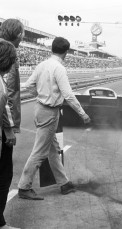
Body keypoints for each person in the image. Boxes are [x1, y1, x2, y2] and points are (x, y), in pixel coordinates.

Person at [18, 37, 91, 200]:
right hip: (50, 112)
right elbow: (68, 95)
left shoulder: (42, 65)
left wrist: (39, 96)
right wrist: (82, 113)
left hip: (40, 109)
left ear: (52, 49)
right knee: (40, 151)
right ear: (66, 52)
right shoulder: (59, 68)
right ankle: (24, 186)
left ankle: (63, 183)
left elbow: (28, 85)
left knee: (52, 149)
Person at [0, 19, 26, 229]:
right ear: (17, 34)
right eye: (23, 33)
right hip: (2, 123)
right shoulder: (8, 52)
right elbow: (5, 93)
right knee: (4, 172)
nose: (24, 37)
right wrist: (9, 128)